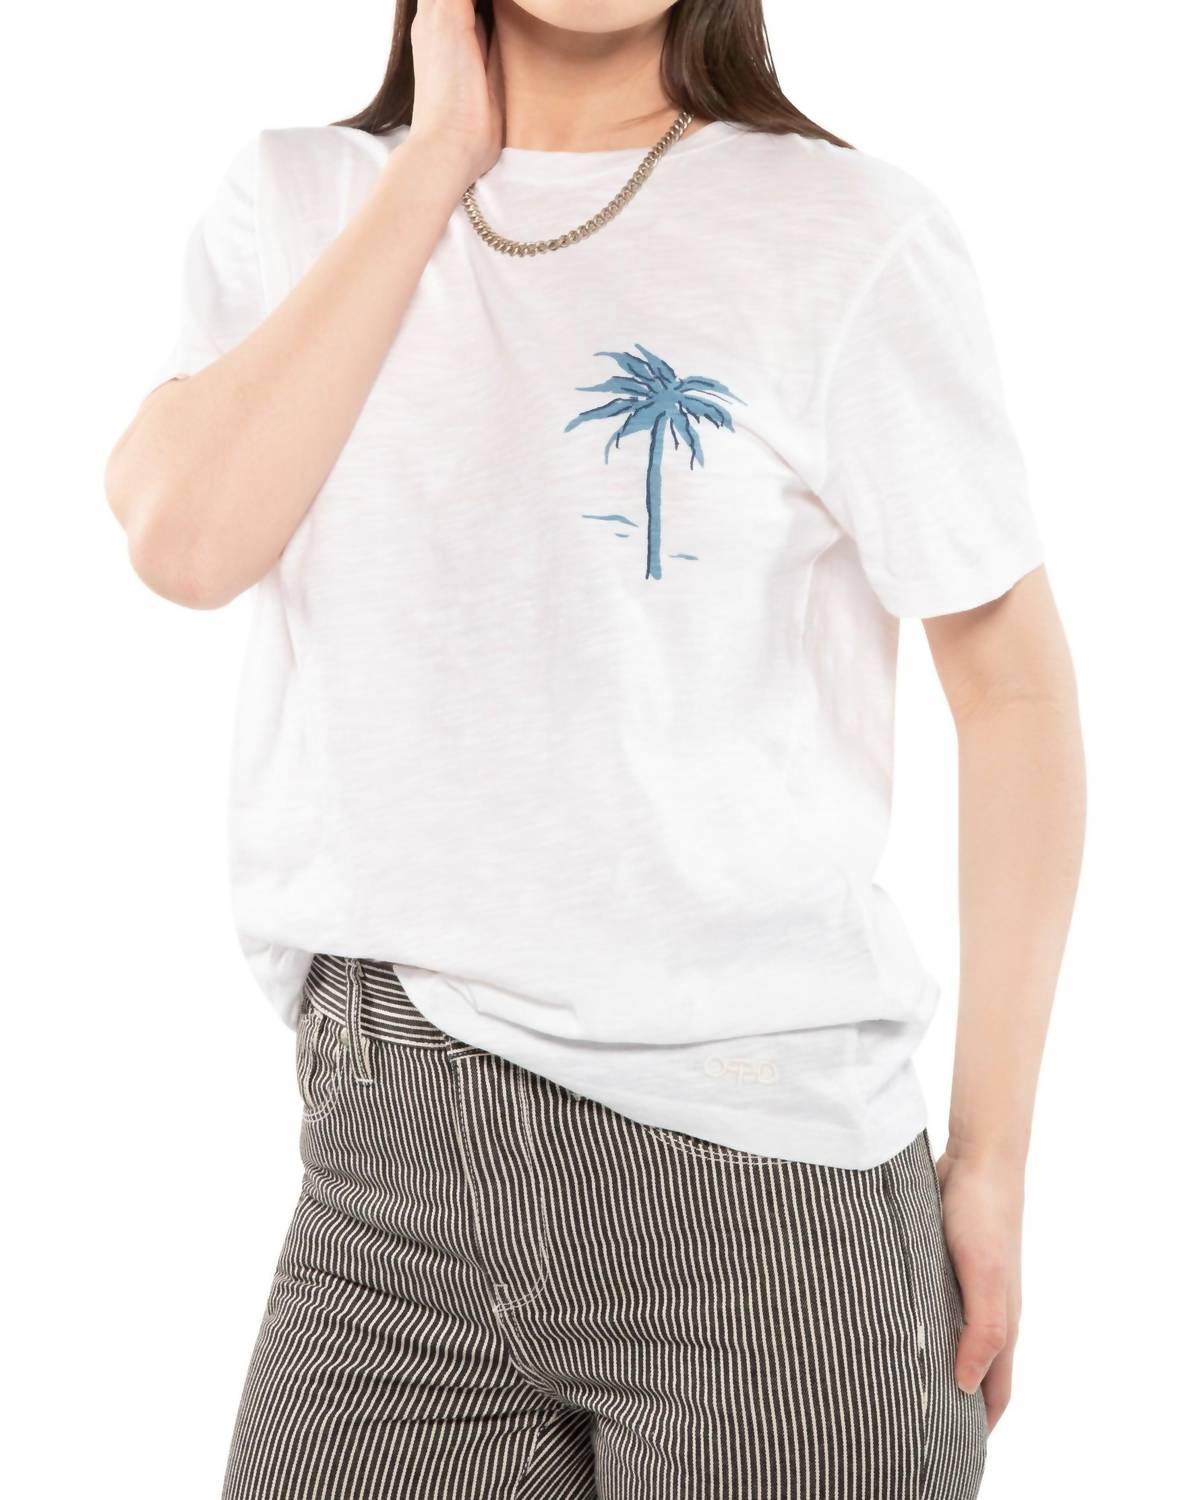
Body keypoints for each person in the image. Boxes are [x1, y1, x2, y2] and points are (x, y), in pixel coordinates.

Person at [105, 2, 1085, 1495]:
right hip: (386, 1177)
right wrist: (439, 157)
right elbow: (185, 541)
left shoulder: (845, 235)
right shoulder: (297, 199)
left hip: (770, 1197)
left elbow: (1013, 697)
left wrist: (993, 1159)